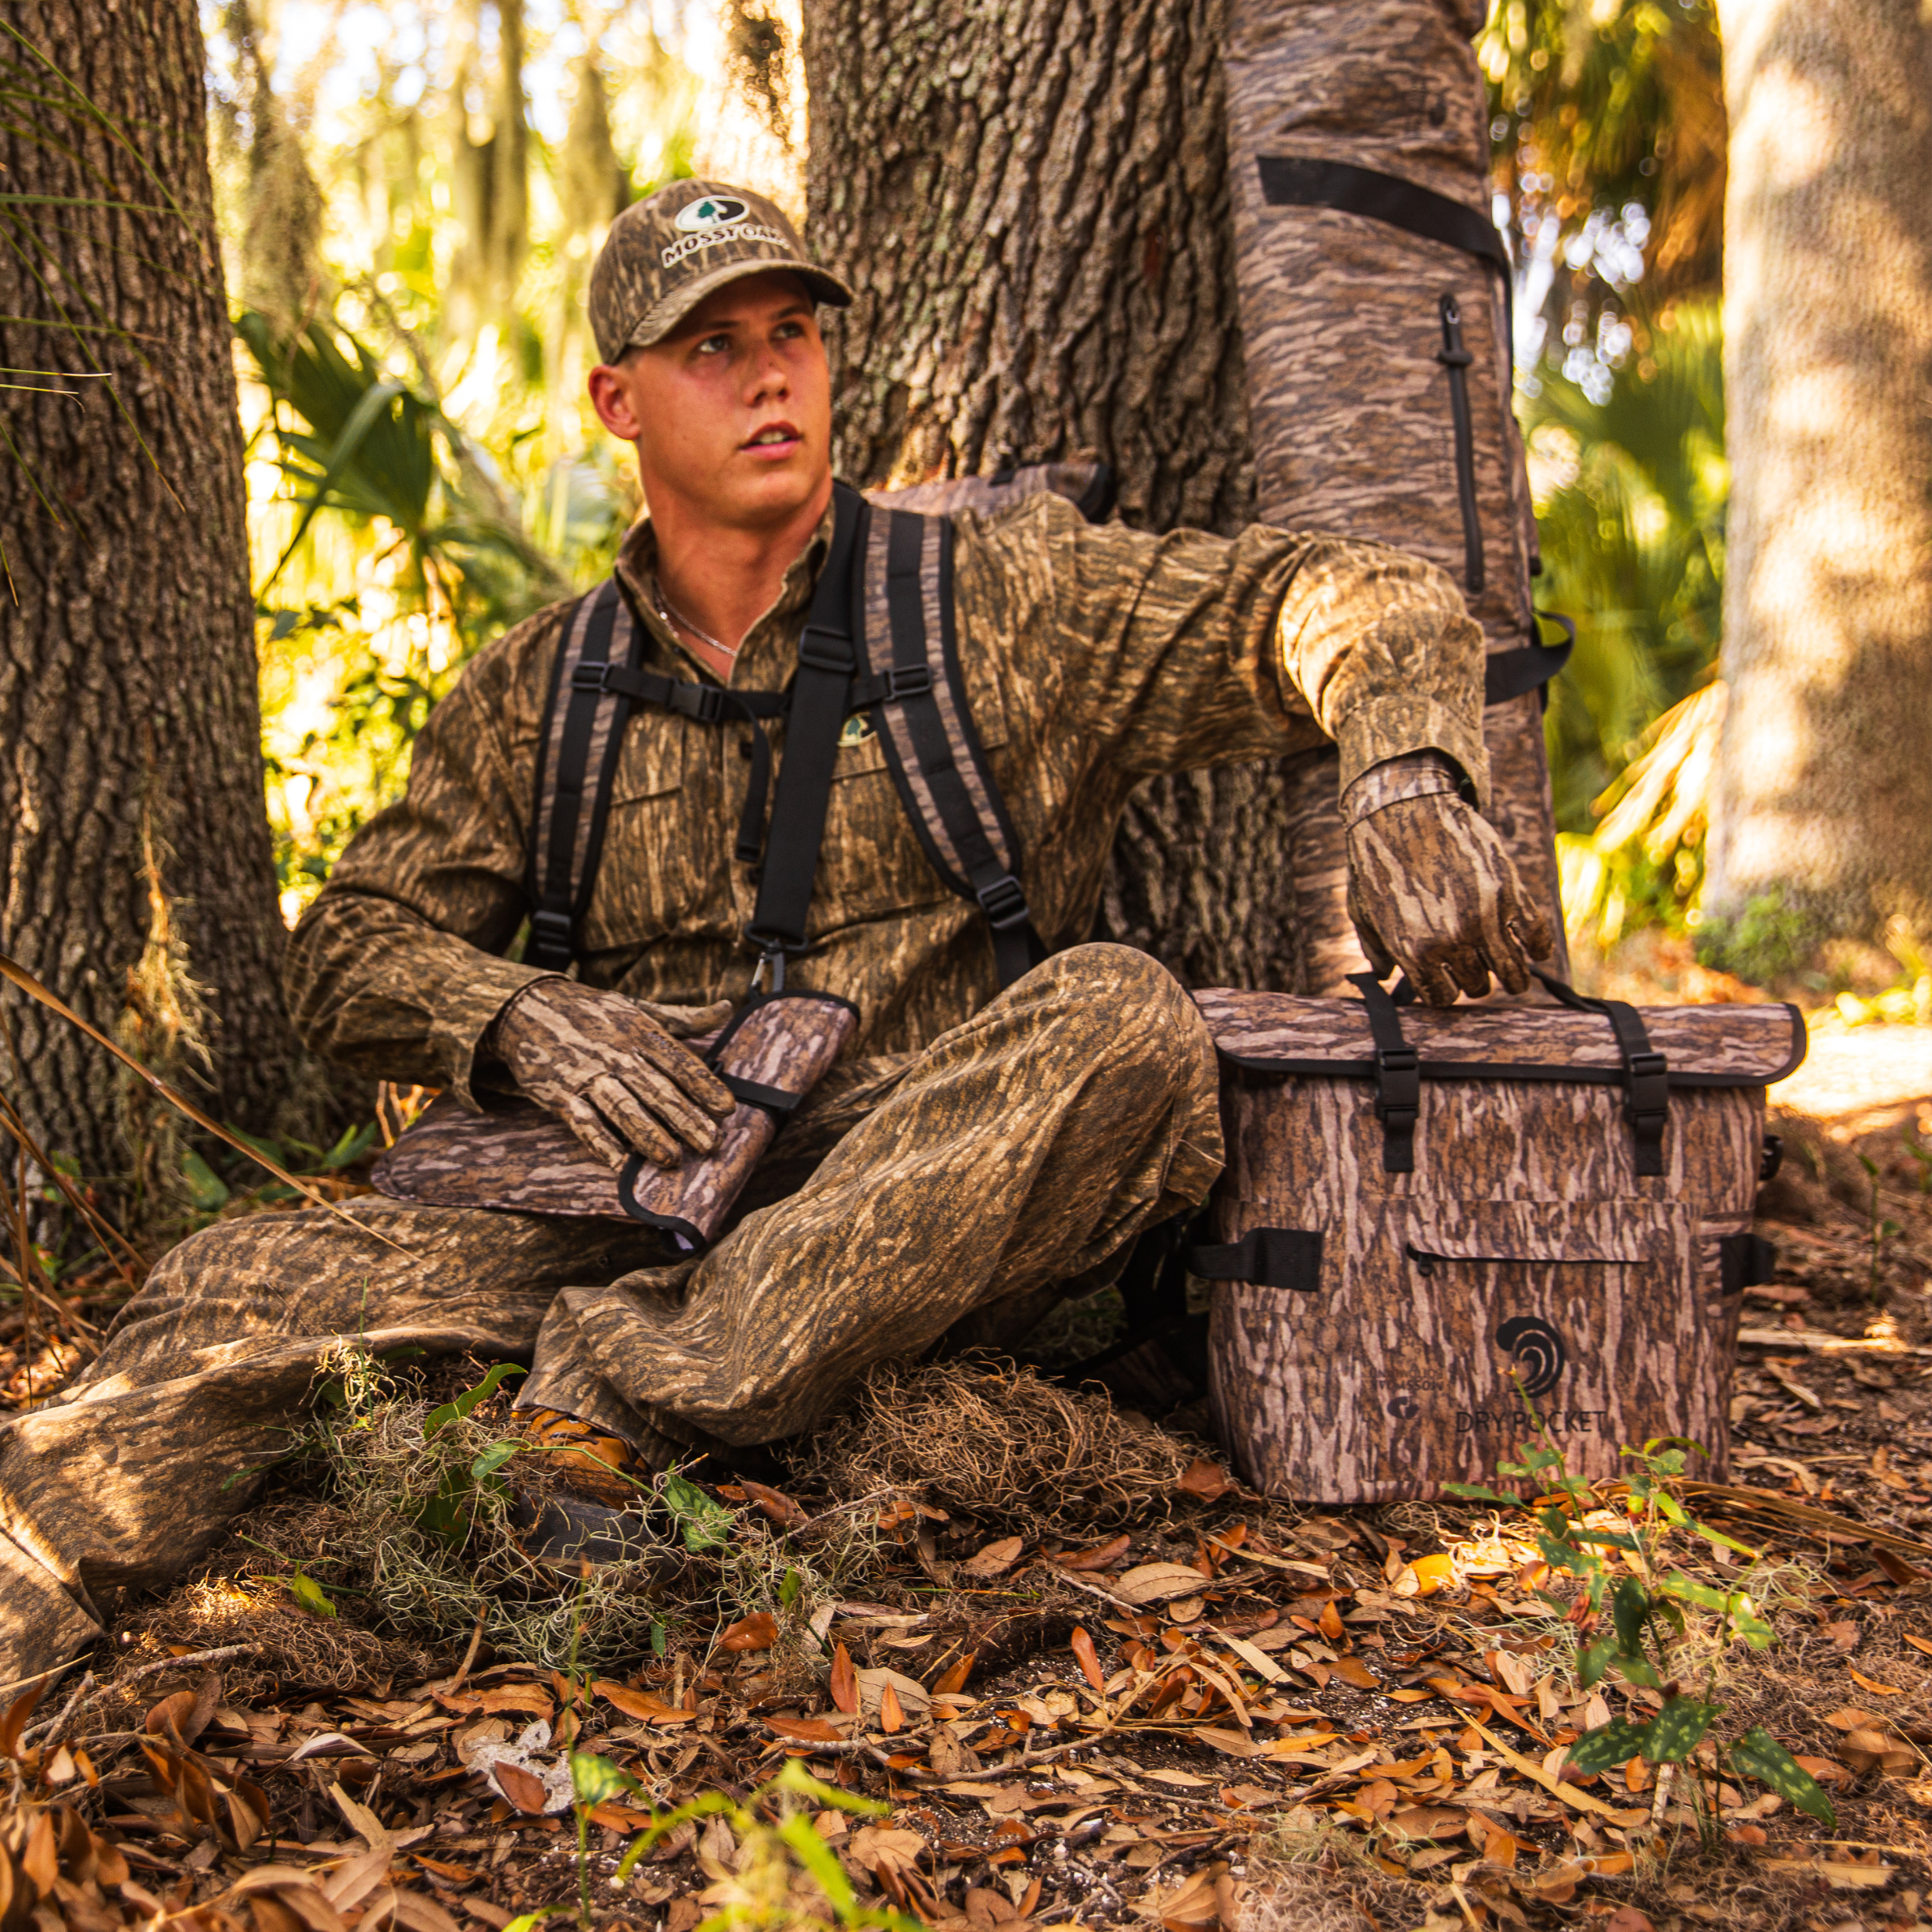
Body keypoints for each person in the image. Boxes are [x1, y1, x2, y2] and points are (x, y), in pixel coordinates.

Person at [0, 180, 1550, 1677]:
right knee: (233, 1281)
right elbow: (344, 947)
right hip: (622, 1206)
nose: (770, 381)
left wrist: (1406, 778)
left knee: (1126, 1023)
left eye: (792, 334)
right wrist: (520, 1019)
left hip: (921, 1188)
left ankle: (609, 1401)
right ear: (619, 404)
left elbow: (1345, 596)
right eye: (711, 348)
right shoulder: (537, 691)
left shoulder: (1000, 596)